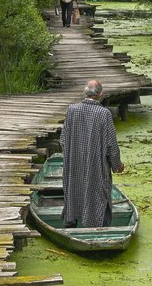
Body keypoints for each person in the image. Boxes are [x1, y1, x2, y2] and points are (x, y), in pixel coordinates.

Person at [61, 80, 125, 228]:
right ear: (101, 94)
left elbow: (63, 140)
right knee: (97, 194)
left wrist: (74, 156)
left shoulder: (72, 110)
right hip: (96, 167)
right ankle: (97, 226)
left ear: (85, 92)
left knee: (74, 191)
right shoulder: (104, 114)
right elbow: (111, 146)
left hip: (74, 167)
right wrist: (118, 166)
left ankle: (71, 223)